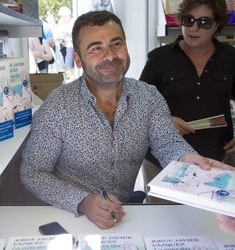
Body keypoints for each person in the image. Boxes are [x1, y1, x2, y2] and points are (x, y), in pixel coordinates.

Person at [20, 10, 233, 230]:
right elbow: (33, 172)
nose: (110, 55)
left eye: (116, 43)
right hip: (69, 218)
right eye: (96, 48)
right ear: (78, 59)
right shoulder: (57, 107)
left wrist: (187, 159)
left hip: (122, 216)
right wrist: (83, 202)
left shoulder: (148, 97)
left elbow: (168, 143)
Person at [140, 0, 235, 163]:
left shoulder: (230, 57)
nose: (194, 28)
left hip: (217, 157)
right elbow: (137, 105)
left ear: (217, 24)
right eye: (188, 19)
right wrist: (164, 121)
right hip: (164, 159)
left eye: (204, 22)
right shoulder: (159, 58)